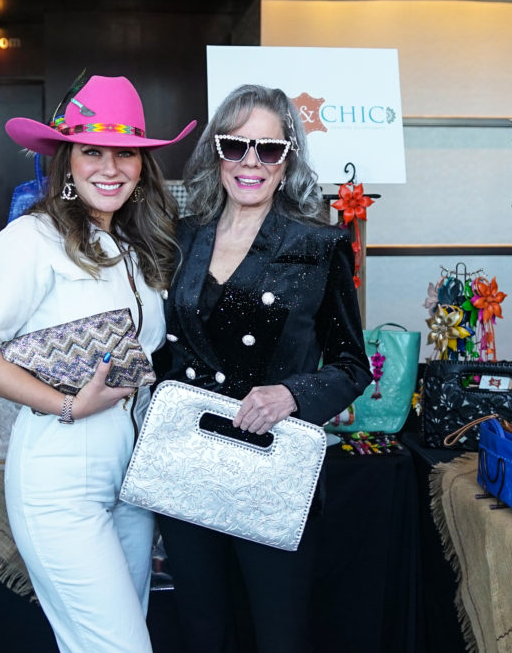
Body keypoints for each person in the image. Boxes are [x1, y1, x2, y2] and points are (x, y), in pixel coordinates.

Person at [0, 73, 195, 653]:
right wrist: (65, 402)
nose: (110, 167)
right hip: (60, 475)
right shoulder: (29, 240)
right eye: (92, 151)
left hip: (131, 481)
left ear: (143, 166)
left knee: (117, 637)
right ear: (66, 161)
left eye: (126, 153)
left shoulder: (135, 248)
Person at [156, 83, 371, 652]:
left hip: (271, 466)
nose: (251, 162)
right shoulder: (181, 239)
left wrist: (293, 395)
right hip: (188, 462)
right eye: (236, 146)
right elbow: (162, 351)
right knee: (202, 629)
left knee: (278, 633)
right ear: (216, 152)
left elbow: (354, 363)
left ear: (288, 159)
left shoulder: (319, 245)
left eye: (269, 150)